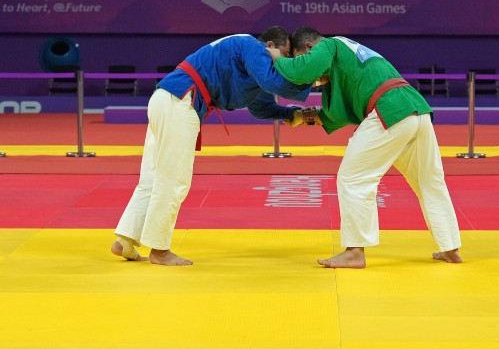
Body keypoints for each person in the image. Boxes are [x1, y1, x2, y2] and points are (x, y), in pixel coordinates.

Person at [111, 28, 315, 266]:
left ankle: (124, 240)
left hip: (169, 99)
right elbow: (274, 81)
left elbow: (262, 108)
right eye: (286, 53)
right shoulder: (252, 46)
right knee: (174, 180)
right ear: (270, 44)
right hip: (180, 99)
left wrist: (295, 114)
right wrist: (314, 78)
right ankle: (159, 249)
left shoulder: (254, 69)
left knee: (153, 178)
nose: (287, 61)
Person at [269, 28, 462, 269]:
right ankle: (450, 247)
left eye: (298, 56)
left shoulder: (328, 45)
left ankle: (354, 251)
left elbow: (302, 71)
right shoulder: (350, 53)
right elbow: (336, 114)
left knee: (354, 178)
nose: (313, 78)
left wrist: (276, 57)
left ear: (309, 48)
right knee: (429, 181)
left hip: (389, 109)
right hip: (415, 109)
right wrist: (305, 117)